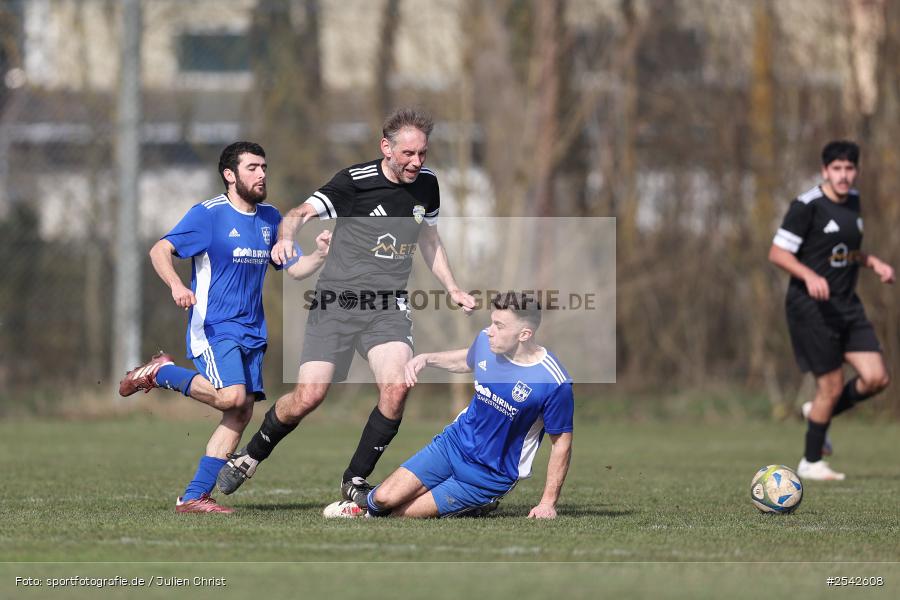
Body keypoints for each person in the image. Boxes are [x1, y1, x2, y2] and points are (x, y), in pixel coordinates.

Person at [217, 108, 476, 507]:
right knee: (309, 396)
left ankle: (354, 479)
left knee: (397, 386)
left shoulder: (429, 185)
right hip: (335, 302)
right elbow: (299, 212)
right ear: (385, 148)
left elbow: (429, 238)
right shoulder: (355, 182)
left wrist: (453, 287)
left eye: (422, 153)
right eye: (408, 154)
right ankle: (251, 455)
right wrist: (286, 239)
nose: (417, 162)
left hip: (387, 306)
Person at [118, 141, 329, 513]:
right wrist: (176, 285)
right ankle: (162, 372)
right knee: (233, 397)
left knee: (240, 412)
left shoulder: (270, 218)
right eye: (252, 168)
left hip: (253, 332)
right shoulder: (209, 215)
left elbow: (293, 268)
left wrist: (318, 255)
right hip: (215, 326)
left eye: (264, 166)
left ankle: (195, 496)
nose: (261, 174)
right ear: (230, 176)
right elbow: (159, 250)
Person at [326, 291, 574, 519]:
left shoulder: (553, 382)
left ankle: (475, 504)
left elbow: (561, 444)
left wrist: (547, 503)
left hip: (488, 476)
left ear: (524, 334)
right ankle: (369, 502)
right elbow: (467, 360)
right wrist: (426, 359)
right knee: (383, 499)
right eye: (491, 321)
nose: (490, 330)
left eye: (499, 325)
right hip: (452, 445)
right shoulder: (487, 343)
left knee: (398, 513)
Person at [769, 140, 893, 481]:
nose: (843, 175)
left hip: (846, 305)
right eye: (836, 169)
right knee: (832, 386)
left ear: (856, 170)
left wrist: (874, 262)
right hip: (810, 308)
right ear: (825, 171)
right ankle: (811, 462)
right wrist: (809, 276)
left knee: (876, 377)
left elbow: (846, 252)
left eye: (849, 168)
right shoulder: (806, 206)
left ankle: (818, 414)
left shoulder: (854, 202)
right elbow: (777, 253)